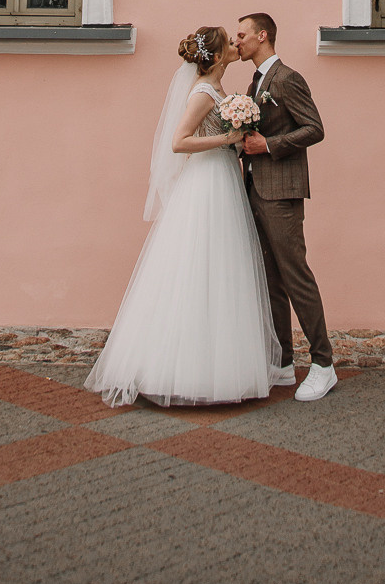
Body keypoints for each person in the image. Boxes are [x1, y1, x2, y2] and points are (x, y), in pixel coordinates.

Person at [84, 25, 289, 407]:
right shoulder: (201, 92)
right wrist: (227, 139)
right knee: (197, 267)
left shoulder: (218, 89)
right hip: (206, 183)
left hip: (224, 179)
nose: (234, 45)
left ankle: (222, 369)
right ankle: (180, 369)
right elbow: (179, 141)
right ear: (214, 56)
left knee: (222, 271)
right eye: (229, 42)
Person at [234, 13, 337, 402]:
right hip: (256, 188)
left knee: (296, 277)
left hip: (281, 192)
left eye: (242, 35)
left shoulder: (287, 78)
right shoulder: (255, 80)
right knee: (271, 278)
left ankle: (324, 365)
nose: (237, 41)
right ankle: (281, 362)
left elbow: (315, 128)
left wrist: (269, 146)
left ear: (263, 36)